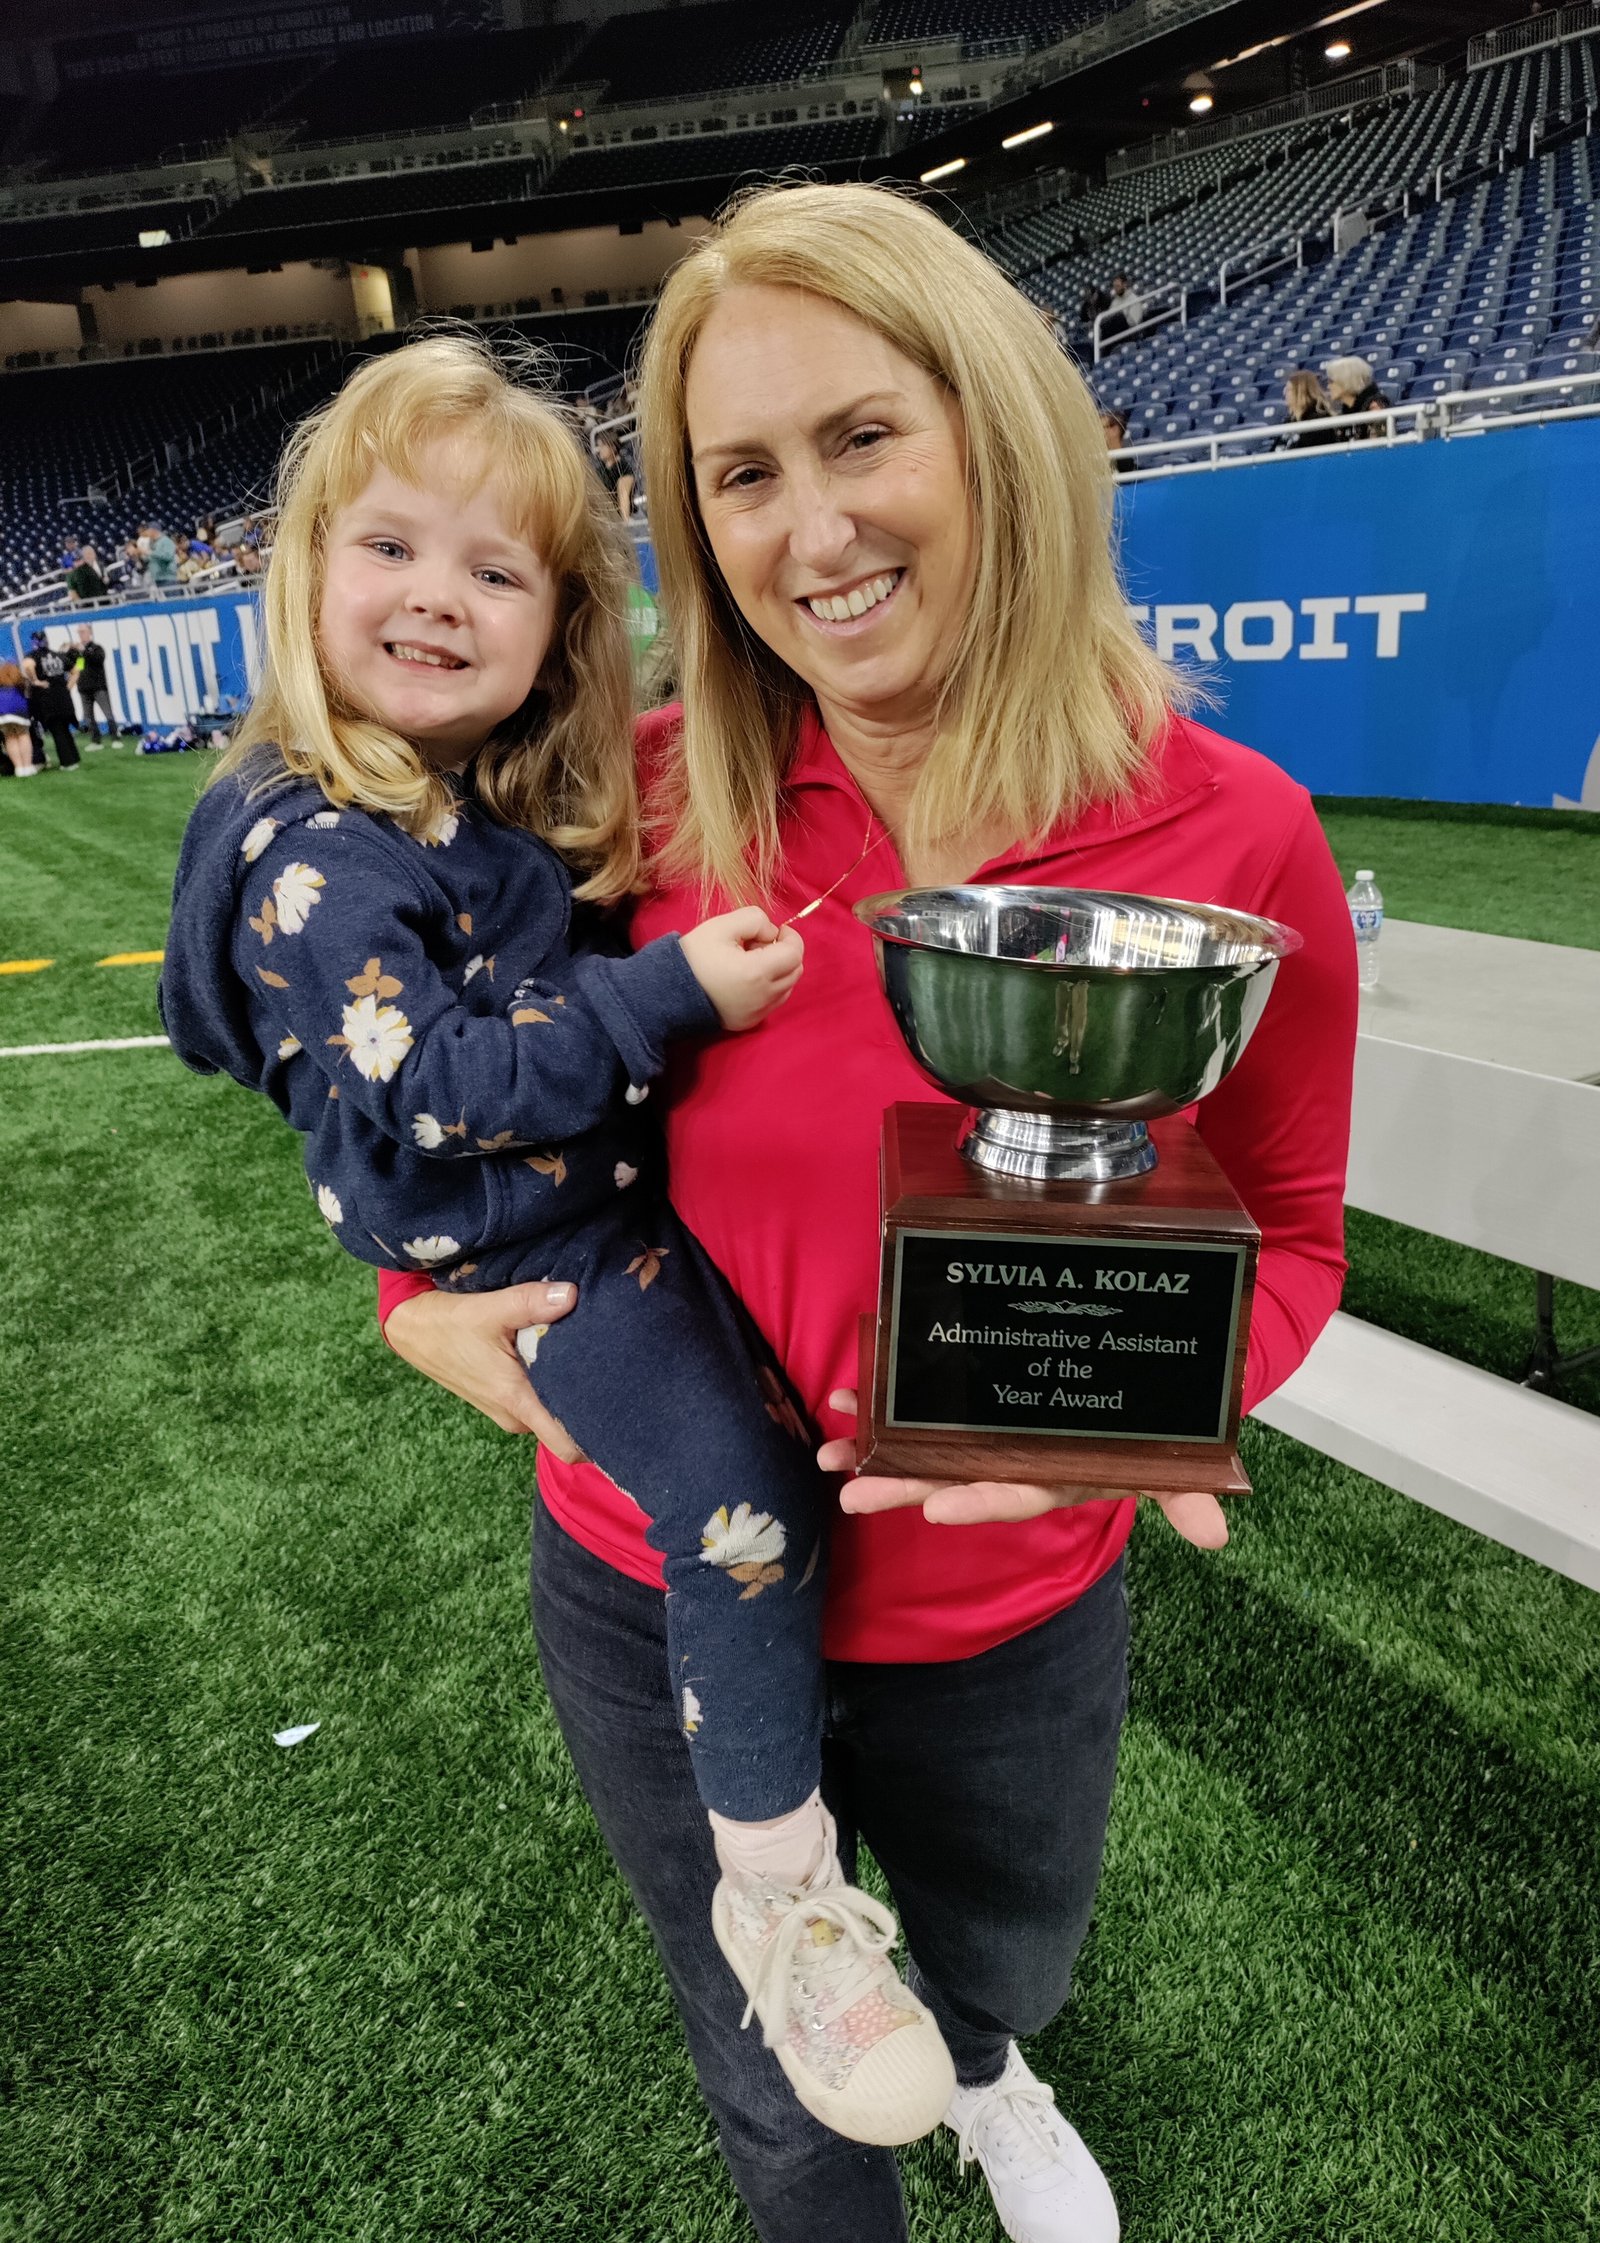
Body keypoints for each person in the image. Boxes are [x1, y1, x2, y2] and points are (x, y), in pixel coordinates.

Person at [377, 182, 1358, 2243]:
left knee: (1003, 1964)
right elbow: (448, 1099)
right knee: (776, 2083)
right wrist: (412, 1289)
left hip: (1008, 1609)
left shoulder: (1233, 828)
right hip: (652, 1580)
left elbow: (1287, 1226)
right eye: (741, 474)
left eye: (859, 437)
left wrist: (1148, 1409)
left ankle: (990, 2062)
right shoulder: (630, 805)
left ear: (996, 432)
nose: (810, 531)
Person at [159, 334, 957, 2152]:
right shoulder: (318, 850)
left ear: (560, 627)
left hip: (590, 1219)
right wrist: (668, 993)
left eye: (496, 569)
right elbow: (439, 1088)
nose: (438, 595)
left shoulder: (452, 796)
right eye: (391, 546)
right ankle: (779, 1889)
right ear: (304, 572)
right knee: (743, 1512)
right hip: (558, 1246)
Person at [23, 631, 80, 771]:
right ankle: (74, 758)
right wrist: (68, 687)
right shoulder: (58, 655)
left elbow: (28, 665)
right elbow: (77, 669)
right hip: (64, 698)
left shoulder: (33, 656)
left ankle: (67, 762)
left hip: (47, 699)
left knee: (57, 730)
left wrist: (35, 681)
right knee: (65, 729)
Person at [1324, 355, 1390, 438]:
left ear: (1346, 381)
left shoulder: (1374, 407)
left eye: (1331, 381)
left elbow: (1377, 442)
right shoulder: (1347, 410)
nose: (1328, 386)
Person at [72, 624, 114, 741]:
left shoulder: (97, 648)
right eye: (79, 632)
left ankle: (115, 737)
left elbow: (97, 660)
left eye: (83, 632)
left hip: (98, 687)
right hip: (84, 688)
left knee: (107, 713)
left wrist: (84, 651)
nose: (81, 634)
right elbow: (79, 667)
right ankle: (96, 739)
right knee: (89, 717)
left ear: (89, 632)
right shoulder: (79, 652)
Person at [0, 661, 41, 775]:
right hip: (19, 712)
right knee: (23, 736)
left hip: (2, 714)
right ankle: (27, 766)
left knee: (10, 738)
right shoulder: (20, 682)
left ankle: (19, 768)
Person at [1282, 370, 1342, 449]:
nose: (1285, 393)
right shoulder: (1290, 420)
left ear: (1301, 392)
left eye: (1289, 390)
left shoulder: (1318, 421)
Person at [593, 431, 636, 520]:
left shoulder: (623, 468)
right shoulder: (600, 470)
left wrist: (624, 521)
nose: (600, 450)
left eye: (602, 446)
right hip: (607, 516)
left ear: (612, 447)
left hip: (621, 516)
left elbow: (624, 494)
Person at [1100, 407, 1134, 471]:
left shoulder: (1127, 464)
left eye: (1101, 427)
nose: (1096, 431)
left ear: (1114, 429)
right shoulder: (1098, 460)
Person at [145, 521, 178, 587]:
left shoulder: (166, 541)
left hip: (168, 578)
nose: (146, 532)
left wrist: (151, 553)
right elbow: (151, 559)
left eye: (147, 530)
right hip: (158, 578)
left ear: (153, 530)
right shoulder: (153, 543)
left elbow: (168, 557)